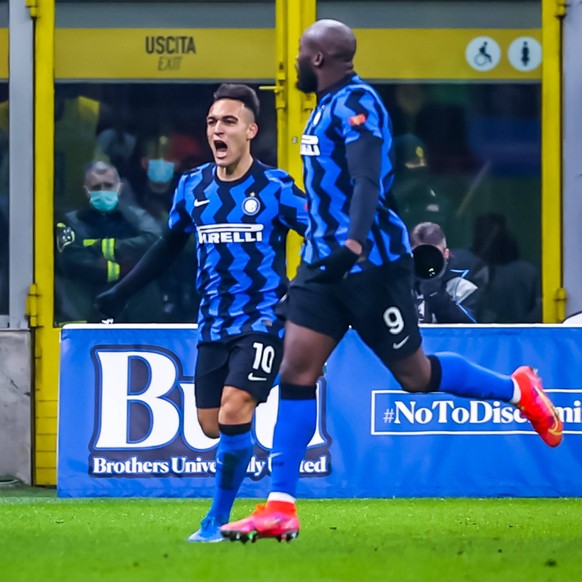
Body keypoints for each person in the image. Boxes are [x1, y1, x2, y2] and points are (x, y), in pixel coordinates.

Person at [220, 19, 563, 544]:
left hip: (372, 267)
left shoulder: (360, 104)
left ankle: (517, 389)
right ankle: (280, 507)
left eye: (298, 53)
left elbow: (364, 181)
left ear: (317, 59)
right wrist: (319, 258)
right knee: (296, 372)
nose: (291, 62)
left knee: (416, 376)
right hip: (323, 266)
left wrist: (354, 244)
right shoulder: (322, 107)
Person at [95, 84, 308, 542]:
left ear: (251, 130)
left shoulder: (276, 187)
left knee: (234, 408)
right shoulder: (193, 186)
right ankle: (250, 473)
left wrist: (299, 299)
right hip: (213, 324)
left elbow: (321, 238)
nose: (218, 129)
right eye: (212, 122)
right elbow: (167, 246)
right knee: (212, 426)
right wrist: (121, 292)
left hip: (264, 320)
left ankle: (215, 521)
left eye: (229, 121)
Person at [55, 161, 164, 324]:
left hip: (136, 315)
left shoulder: (137, 218)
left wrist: (101, 248)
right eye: (96, 187)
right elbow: (72, 261)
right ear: (87, 192)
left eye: (108, 185)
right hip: (87, 312)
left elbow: (156, 242)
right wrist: (123, 268)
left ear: (119, 188)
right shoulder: (71, 222)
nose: (103, 191)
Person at [410, 222, 478, 323]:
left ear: (446, 254)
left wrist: (436, 295)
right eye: (420, 255)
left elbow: (469, 330)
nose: (426, 260)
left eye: (432, 254)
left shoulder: (462, 288)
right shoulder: (400, 286)